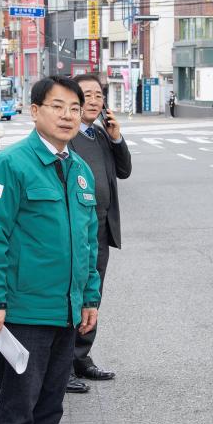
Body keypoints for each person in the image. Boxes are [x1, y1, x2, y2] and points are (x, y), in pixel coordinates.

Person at [0, 75, 101, 424]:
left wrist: (89, 297)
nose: (68, 116)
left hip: (66, 310)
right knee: (19, 409)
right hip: (23, 312)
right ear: (35, 111)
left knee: (50, 405)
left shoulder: (80, 169)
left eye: (74, 108)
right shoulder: (9, 165)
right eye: (57, 106)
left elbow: (88, 240)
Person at [67, 74, 130, 393]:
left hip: (101, 229)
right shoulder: (67, 137)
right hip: (76, 232)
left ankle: (81, 357)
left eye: (98, 95)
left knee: (93, 295)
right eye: (87, 95)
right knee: (73, 296)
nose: (94, 101)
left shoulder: (101, 134)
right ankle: (63, 366)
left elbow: (124, 170)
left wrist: (117, 138)